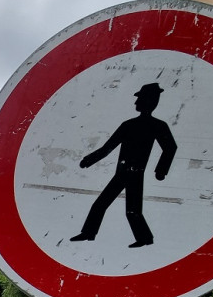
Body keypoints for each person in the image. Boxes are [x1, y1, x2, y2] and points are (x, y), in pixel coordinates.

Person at [71, 82, 177, 248]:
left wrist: (161, 170)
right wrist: (89, 160)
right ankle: (90, 233)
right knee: (105, 206)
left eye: (139, 99)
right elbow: (108, 147)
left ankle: (144, 238)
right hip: (122, 173)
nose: (136, 102)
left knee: (131, 211)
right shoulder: (129, 124)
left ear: (149, 101)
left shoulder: (157, 125)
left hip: (135, 174)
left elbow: (170, 148)